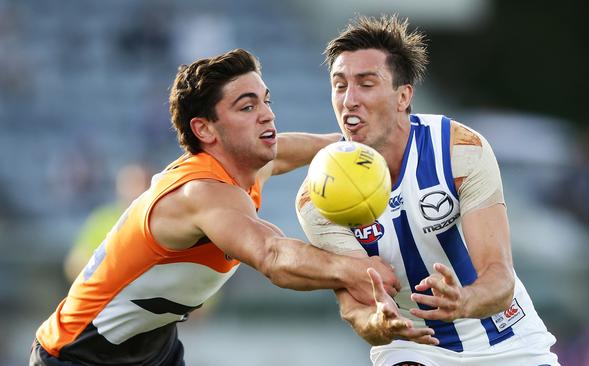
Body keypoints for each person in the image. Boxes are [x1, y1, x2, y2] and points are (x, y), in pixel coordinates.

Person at [30, 48, 399, 366]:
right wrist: (357, 270)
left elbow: (288, 149)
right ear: (205, 130)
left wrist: (353, 146)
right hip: (77, 355)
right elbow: (272, 256)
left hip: (153, 350)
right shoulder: (201, 193)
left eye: (266, 101)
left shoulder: (244, 164)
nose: (267, 115)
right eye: (247, 106)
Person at [296, 15, 560, 366]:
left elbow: (499, 275)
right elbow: (354, 307)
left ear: (403, 96)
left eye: (366, 84)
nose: (349, 100)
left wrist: (462, 301)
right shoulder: (318, 198)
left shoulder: (459, 150)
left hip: (508, 339)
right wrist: (378, 324)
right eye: (340, 85)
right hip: (414, 345)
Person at [64, 163, 151, 282]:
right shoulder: (103, 219)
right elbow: (75, 265)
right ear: (120, 187)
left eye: (146, 183)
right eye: (134, 183)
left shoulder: (161, 220)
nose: (141, 189)